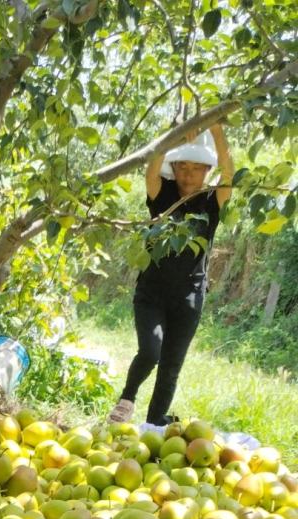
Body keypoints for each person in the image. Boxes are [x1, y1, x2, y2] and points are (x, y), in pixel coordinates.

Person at [109, 122, 234, 426]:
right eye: (182, 166)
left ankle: (153, 425)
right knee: (151, 351)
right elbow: (151, 169)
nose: (188, 174)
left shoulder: (211, 201)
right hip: (151, 293)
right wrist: (174, 137)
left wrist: (216, 131)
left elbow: (230, 174)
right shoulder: (162, 194)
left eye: (196, 168)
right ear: (173, 167)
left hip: (189, 298)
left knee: (171, 366)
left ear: (207, 171)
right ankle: (127, 399)